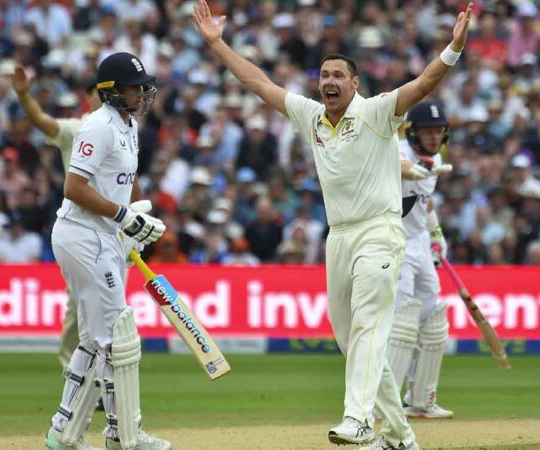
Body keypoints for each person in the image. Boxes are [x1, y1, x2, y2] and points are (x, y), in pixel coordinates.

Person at [192, 2, 471, 449]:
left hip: (380, 231)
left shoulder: (378, 112)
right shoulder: (311, 117)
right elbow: (258, 83)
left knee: (366, 329)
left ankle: (357, 420)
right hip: (338, 237)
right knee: (352, 340)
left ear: (355, 83)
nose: (330, 82)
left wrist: (454, 47)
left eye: (339, 75)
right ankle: (401, 437)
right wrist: (217, 44)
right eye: (325, 76)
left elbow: (424, 84)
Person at [44, 52, 169, 450]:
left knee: (96, 340)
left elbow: (123, 183)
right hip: (83, 235)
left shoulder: (128, 125)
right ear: (111, 92)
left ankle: (63, 432)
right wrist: (124, 218)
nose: (144, 93)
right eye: (135, 88)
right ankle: (122, 435)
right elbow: (74, 188)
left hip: (104, 236)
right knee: (118, 338)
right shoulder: (96, 126)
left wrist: (135, 219)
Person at [13, 65, 104, 369]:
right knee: (79, 306)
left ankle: (107, 377)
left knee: (110, 308)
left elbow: (132, 179)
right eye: (98, 92)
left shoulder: (126, 131)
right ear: (89, 98)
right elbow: (40, 121)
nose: (104, 98)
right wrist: (24, 95)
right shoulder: (76, 130)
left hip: (114, 228)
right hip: (81, 226)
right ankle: (73, 372)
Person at [386, 101, 454, 420]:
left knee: (433, 320)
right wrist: (417, 169)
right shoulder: (398, 151)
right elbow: (400, 168)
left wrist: (436, 234)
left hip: (420, 243)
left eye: (438, 131)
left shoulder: (437, 158)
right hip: (394, 243)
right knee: (401, 323)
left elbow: (425, 203)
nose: (433, 137)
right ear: (413, 132)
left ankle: (420, 399)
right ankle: (385, 402)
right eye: (427, 131)